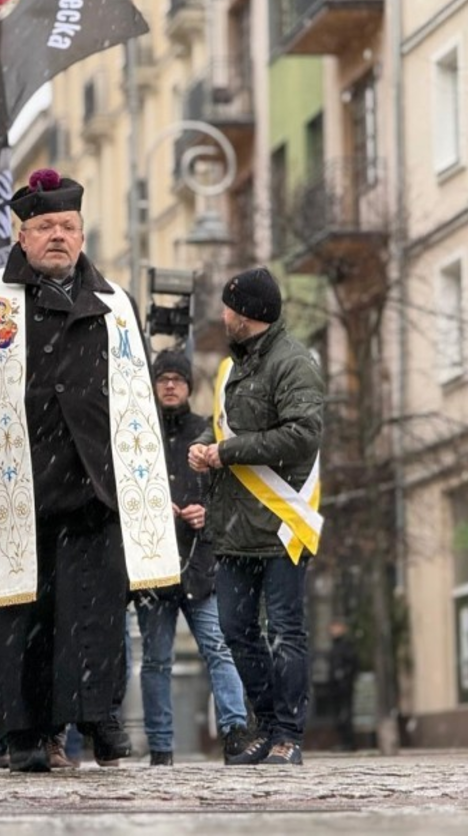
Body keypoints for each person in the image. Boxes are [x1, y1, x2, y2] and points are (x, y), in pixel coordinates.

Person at [0, 168, 181, 772]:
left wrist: (154, 475)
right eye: (44, 226)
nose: (57, 236)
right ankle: (24, 733)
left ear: (82, 233)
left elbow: (141, 395)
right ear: (22, 236)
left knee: (94, 613)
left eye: (68, 226)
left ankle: (98, 717)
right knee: (23, 616)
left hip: (95, 483)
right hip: (19, 483)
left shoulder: (115, 303)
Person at [190, 266, 324, 767]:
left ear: (246, 315)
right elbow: (221, 427)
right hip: (235, 525)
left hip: (282, 522)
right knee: (235, 629)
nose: (223, 315)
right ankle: (267, 726)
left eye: (228, 308)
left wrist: (227, 452)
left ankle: (289, 734)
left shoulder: (294, 363)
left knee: (286, 632)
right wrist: (204, 445)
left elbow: (302, 434)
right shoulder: (232, 367)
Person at [137, 350, 251, 766]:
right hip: (153, 563)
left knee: (218, 649)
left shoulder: (207, 431)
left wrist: (207, 513)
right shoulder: (138, 431)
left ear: (188, 386)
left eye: (178, 379)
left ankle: (235, 733)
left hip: (200, 564)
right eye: (163, 378)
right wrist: (151, 508)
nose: (170, 385)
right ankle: (160, 748)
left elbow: (229, 494)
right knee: (156, 660)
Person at [328, 620, 359, 751]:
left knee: (345, 713)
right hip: (335, 686)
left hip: (345, 686)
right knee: (339, 714)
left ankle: (349, 742)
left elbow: (352, 664)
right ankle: (344, 741)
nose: (333, 630)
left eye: (336, 627)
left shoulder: (346, 646)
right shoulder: (335, 646)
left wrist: (345, 677)